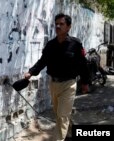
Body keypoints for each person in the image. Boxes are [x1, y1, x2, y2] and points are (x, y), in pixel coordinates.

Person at [24, 13, 90, 141]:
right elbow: (42, 61)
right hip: (54, 84)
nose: (58, 26)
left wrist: (85, 82)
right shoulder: (50, 45)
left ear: (68, 27)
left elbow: (83, 64)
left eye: (62, 24)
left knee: (62, 115)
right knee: (60, 114)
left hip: (69, 84)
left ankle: (59, 139)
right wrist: (31, 72)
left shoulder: (76, 44)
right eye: (56, 24)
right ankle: (71, 131)